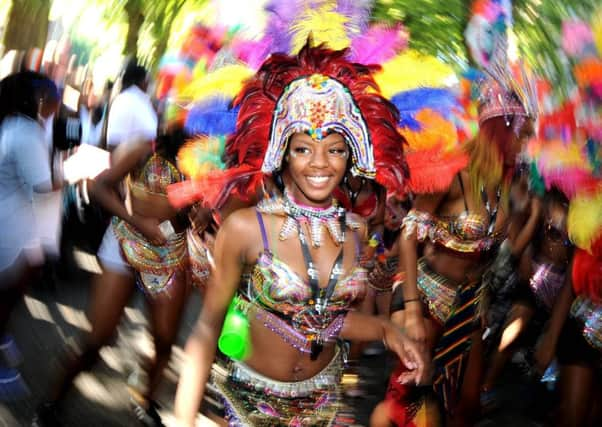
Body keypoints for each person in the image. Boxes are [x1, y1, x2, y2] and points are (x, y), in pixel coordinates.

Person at [173, 41, 427, 427]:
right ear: (282, 152)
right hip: (251, 406)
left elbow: (328, 321)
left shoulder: (356, 232)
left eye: (336, 149)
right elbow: (208, 325)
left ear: (352, 155)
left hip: (326, 406)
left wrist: (387, 330)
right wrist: (184, 417)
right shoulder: (246, 228)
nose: (320, 163)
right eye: (304, 149)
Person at [392, 62, 538, 425]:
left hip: (470, 304)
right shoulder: (453, 177)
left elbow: (496, 251)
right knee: (415, 403)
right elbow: (408, 240)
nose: (526, 145)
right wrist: (411, 310)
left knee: (468, 404)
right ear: (500, 132)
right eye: (523, 135)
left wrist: (483, 292)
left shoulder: (509, 187)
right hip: (427, 297)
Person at [34, 127, 191, 426]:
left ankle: (145, 398)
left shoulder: (213, 165)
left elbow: (200, 213)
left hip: (169, 256)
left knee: (165, 340)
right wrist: (137, 221)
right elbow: (97, 187)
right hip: (123, 243)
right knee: (97, 338)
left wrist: (204, 212)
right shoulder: (145, 147)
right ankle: (53, 400)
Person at [0, 71, 61, 400]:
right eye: (52, 97)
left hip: (14, 226)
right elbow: (42, 186)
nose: (56, 103)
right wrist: (75, 170)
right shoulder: (24, 132)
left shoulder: (17, 126)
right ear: (37, 99)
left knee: (9, 293)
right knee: (6, 292)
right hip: (10, 230)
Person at [481, 188, 570, 401]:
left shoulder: (580, 211)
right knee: (515, 326)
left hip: (562, 291)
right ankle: (486, 386)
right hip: (532, 281)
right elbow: (518, 226)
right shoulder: (541, 200)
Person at [106, 63, 157, 150]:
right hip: (133, 158)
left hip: (116, 155)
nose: (148, 84)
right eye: (147, 80)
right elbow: (150, 132)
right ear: (142, 81)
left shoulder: (120, 98)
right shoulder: (139, 100)